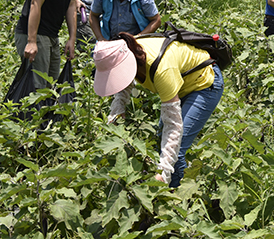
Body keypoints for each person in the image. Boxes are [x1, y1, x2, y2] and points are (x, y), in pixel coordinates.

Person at [92, 32, 223, 187]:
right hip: (179, 84)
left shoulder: (162, 69)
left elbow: (173, 128)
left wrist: (164, 174)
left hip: (204, 83)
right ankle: (175, 180)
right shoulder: (130, 51)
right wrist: (117, 110)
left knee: (176, 149)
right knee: (162, 139)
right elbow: (123, 81)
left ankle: (177, 199)